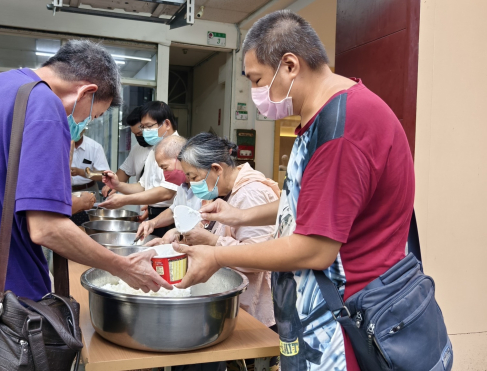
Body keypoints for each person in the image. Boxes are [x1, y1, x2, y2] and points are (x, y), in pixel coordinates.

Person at [173, 10, 415, 371]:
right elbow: (304, 202)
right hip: (317, 312)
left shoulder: (343, 130)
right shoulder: (319, 120)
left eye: (256, 80)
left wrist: (217, 256)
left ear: (289, 65)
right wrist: (238, 215)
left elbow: (314, 249)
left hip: (346, 320)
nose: (255, 93)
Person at [0, 40, 171, 370]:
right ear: (87, 91)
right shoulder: (43, 106)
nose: (85, 124)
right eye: (95, 114)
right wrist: (125, 267)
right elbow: (47, 228)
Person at [153, 133, 280, 331]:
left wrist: (212, 242)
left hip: (250, 313)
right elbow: (211, 227)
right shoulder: (222, 191)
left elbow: (259, 257)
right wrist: (176, 237)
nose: (193, 186)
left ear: (216, 169)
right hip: (226, 300)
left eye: (194, 177)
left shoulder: (251, 193)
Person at [99, 101, 179, 237]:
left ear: (166, 124)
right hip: (153, 216)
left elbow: (166, 192)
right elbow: (143, 186)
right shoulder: (156, 148)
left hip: (169, 219)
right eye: (143, 128)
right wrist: (119, 185)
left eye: (148, 127)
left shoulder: (176, 148)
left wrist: (124, 200)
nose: (145, 132)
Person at [135, 135, 200, 239]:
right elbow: (173, 210)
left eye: (165, 168)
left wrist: (176, 232)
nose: (165, 174)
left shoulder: (204, 187)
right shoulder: (182, 185)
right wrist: (152, 223)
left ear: (179, 157)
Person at [101, 106, 152, 221]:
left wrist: (123, 198)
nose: (138, 137)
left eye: (140, 133)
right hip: (143, 208)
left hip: (163, 208)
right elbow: (125, 171)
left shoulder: (165, 150)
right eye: (135, 135)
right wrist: (113, 184)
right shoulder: (138, 148)